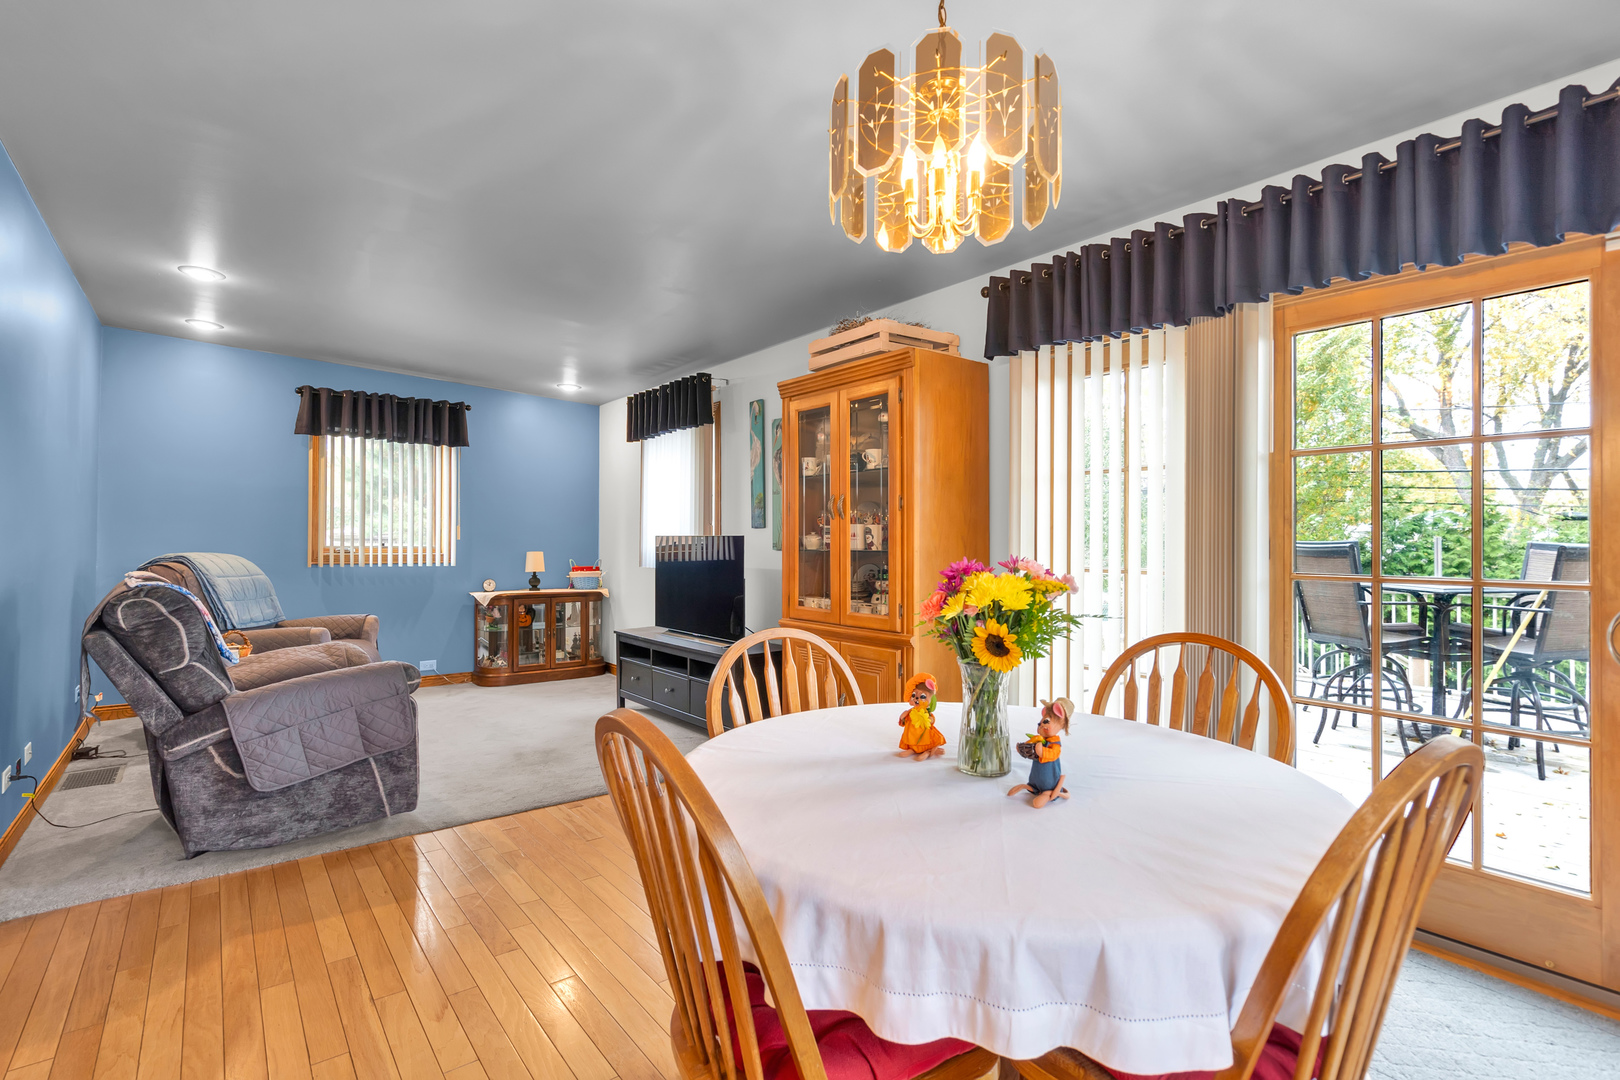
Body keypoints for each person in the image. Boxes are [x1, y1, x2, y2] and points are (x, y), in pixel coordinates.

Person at [1009, 697, 1072, 807]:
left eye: (1046, 721)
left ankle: (1047, 793)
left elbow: (1053, 754)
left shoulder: (1055, 744)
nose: (1041, 724)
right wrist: (1023, 750)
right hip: (1036, 778)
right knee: (1034, 780)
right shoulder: (1039, 739)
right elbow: (1032, 752)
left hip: (1049, 782)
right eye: (1040, 722)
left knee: (1045, 791)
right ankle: (1029, 787)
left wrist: (1042, 752)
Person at [897, 673, 947, 760]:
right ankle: (913, 749)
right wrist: (903, 717)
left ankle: (928, 751)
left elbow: (931, 720)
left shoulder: (926, 712)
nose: (916, 699)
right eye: (914, 695)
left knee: (925, 740)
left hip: (924, 736)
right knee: (912, 740)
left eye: (922, 696)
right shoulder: (911, 712)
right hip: (912, 735)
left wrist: (930, 719)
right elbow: (903, 722)